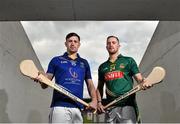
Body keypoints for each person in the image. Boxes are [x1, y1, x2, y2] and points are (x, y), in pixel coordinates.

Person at [34, 32, 97, 123]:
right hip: (60, 107)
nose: (73, 43)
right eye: (70, 41)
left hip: (78, 107)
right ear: (65, 44)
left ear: (79, 44)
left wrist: (94, 100)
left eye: (75, 41)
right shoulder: (56, 60)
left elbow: (90, 84)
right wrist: (42, 78)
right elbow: (45, 84)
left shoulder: (84, 63)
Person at [96, 35, 152, 123]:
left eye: (114, 43)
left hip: (127, 105)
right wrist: (99, 102)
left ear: (118, 46)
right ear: (106, 47)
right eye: (108, 43)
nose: (111, 45)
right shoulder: (102, 67)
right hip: (110, 107)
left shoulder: (128, 61)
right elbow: (99, 87)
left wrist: (144, 82)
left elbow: (139, 79)